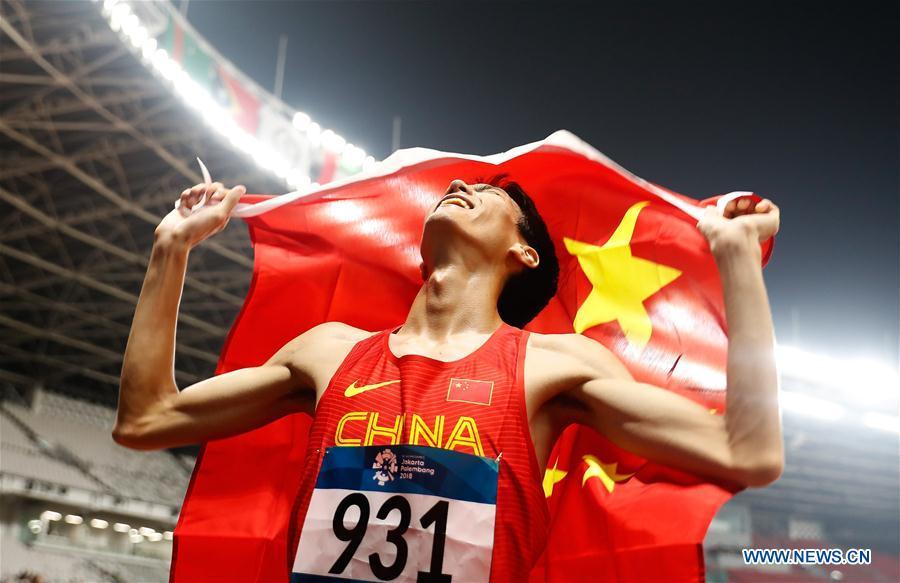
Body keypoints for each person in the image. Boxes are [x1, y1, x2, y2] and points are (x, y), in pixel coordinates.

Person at [114, 176, 783, 581]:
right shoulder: (328, 351)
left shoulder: (551, 366)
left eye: (488, 195)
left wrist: (737, 260)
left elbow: (746, 450)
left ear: (522, 253)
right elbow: (147, 419)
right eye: (456, 188)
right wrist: (170, 248)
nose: (460, 188)